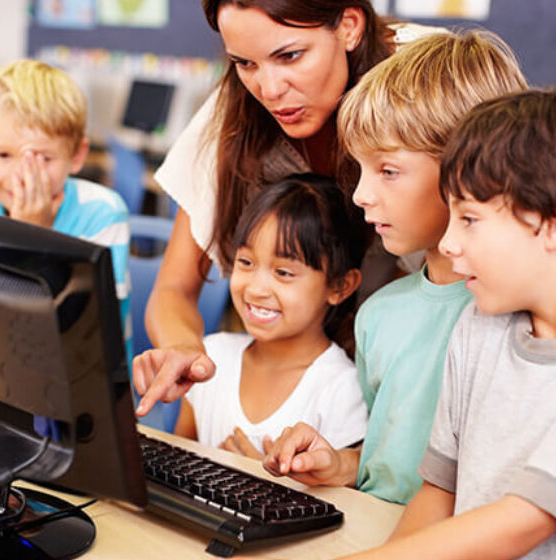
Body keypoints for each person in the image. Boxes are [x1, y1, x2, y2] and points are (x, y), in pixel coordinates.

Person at [254, 85, 556, 560]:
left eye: (469, 219)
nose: (449, 243)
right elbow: (438, 492)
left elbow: (520, 522)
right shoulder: (478, 330)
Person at [133, 1, 439, 417]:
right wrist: (184, 347)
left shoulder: (425, 76)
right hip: (310, 379)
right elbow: (174, 288)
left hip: (422, 366)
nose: (270, 90)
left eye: (290, 56)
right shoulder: (240, 108)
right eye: (245, 62)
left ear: (349, 27)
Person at [262, 30, 527, 504]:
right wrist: (342, 463)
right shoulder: (379, 314)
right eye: (361, 169)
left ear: (467, 170)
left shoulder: (519, 320)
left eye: (388, 170)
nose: (361, 194)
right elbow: (391, 466)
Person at [169, 173, 368, 457]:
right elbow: (178, 462)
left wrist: (262, 486)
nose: (257, 288)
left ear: (340, 286)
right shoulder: (211, 359)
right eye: (246, 262)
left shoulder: (340, 390)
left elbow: (344, 497)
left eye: (283, 272)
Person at [0, 59, 132, 357]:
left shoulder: (102, 213)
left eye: (44, 160)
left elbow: (77, 334)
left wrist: (30, 237)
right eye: (3, 155)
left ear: (76, 156)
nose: (21, 177)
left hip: (78, 384)